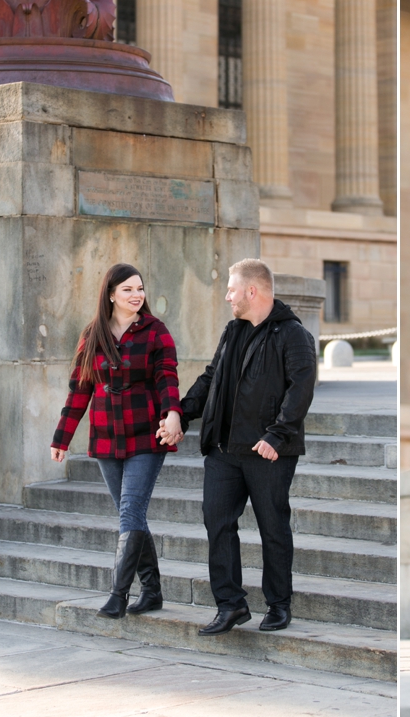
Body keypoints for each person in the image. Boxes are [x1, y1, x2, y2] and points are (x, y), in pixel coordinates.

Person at [158, 259, 317, 635]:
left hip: (268, 453)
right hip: (224, 452)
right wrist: (181, 412)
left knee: (273, 527)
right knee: (218, 523)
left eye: (231, 289)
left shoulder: (293, 334)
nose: (227, 295)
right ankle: (230, 605)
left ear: (252, 291)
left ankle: (279, 605)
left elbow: (301, 388)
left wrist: (277, 435)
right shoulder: (233, 331)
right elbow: (211, 378)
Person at [51, 263, 183, 619]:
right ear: (111, 294)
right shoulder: (93, 333)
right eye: (127, 289)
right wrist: (62, 437)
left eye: (140, 288)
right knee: (131, 515)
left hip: (146, 434)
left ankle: (118, 595)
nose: (136, 295)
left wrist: (173, 413)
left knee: (130, 512)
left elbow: (167, 376)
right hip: (107, 435)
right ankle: (152, 592)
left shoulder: (156, 331)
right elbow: (80, 389)